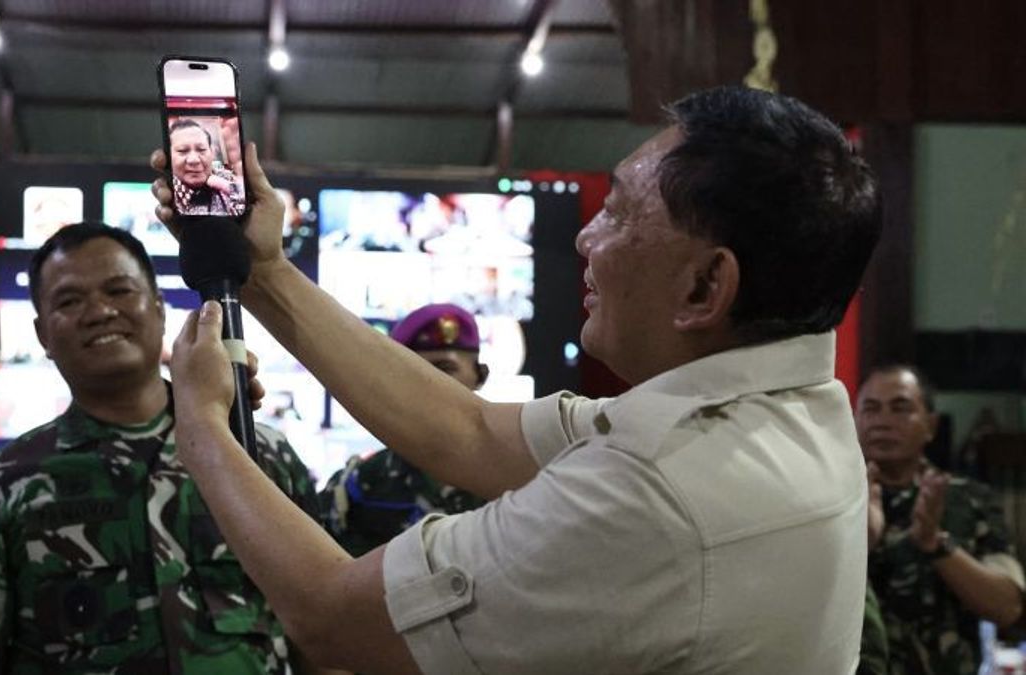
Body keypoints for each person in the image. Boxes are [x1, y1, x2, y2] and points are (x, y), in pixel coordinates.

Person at [154, 85, 883, 673]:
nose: (584, 237)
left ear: (704, 288)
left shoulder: (659, 495)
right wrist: (268, 271)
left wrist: (200, 425)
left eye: (620, 212)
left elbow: (334, 617)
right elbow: (469, 430)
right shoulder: (794, 406)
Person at [0, 223, 326, 674]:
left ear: (158, 308)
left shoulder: (259, 456)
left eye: (119, 290)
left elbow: (325, 638)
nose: (99, 311)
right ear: (42, 334)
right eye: (70, 301)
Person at [859, 364, 1024, 674]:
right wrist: (857, 540)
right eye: (870, 409)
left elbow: (1008, 607)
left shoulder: (967, 498)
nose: (882, 421)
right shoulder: (830, 502)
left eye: (900, 408)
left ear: (930, 426)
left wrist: (934, 544)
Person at [320, 303, 489, 557]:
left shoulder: (521, 482)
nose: (428, 382)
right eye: (414, 372)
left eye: (445, 369)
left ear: (480, 376)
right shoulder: (358, 487)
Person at [169, 118, 244, 217]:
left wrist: (225, 186)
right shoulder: (167, 192)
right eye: (183, 151)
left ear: (212, 153)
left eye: (201, 149)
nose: (194, 160)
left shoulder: (225, 179)